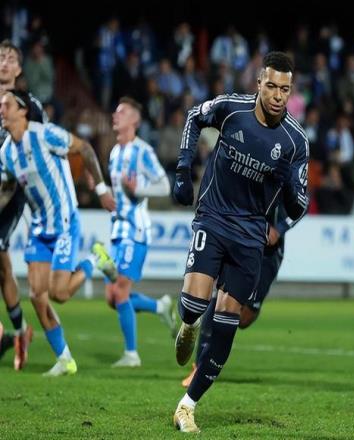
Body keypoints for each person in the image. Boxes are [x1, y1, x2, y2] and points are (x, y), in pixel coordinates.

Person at [171, 51, 309, 433]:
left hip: (250, 236)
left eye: (285, 89)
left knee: (228, 323)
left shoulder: (296, 141)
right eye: (271, 86)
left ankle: (187, 406)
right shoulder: (232, 109)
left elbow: (300, 204)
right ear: (259, 83)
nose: (278, 95)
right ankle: (188, 323)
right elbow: (194, 117)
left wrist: (289, 191)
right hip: (214, 219)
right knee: (194, 304)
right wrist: (183, 169)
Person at [0, 89, 116, 376]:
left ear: (23, 111)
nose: (1, 110)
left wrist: (102, 189)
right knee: (37, 295)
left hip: (64, 222)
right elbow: (6, 188)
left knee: (60, 293)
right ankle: (65, 359)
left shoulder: (45, 134)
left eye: (6, 105)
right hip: (39, 228)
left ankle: (95, 259)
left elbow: (85, 148)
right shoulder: (6, 152)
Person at [181, 199, 302, 387]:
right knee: (222, 296)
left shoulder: (282, 180)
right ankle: (200, 366)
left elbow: (302, 202)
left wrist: (279, 229)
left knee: (244, 318)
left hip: (268, 253)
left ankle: (223, 320)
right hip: (239, 239)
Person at [92, 97, 175, 368]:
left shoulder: (142, 151)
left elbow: (164, 186)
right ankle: (159, 307)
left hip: (135, 230)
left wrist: (138, 190)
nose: (115, 116)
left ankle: (131, 355)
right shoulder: (115, 152)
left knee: (120, 291)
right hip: (118, 229)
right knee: (112, 298)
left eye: (122, 112)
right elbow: (120, 194)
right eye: (115, 112)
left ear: (135, 121)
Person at [0, 39, 44, 370]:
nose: (4, 62)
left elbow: (39, 148)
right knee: (3, 267)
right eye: (1, 57)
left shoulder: (30, 106)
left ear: (19, 68)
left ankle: (8, 332)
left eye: (11, 58)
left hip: (10, 193)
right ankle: (19, 331)